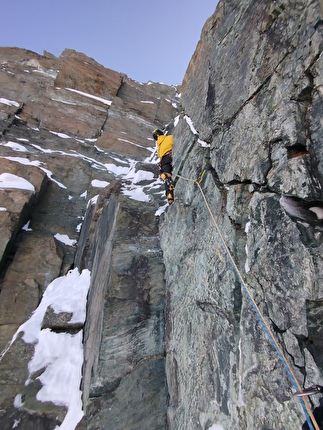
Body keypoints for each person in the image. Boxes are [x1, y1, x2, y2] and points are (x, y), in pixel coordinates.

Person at [152, 129, 174, 204]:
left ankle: (169, 193)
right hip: (172, 154)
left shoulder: (159, 146)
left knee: (165, 174)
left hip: (165, 160)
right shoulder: (170, 137)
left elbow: (161, 156)